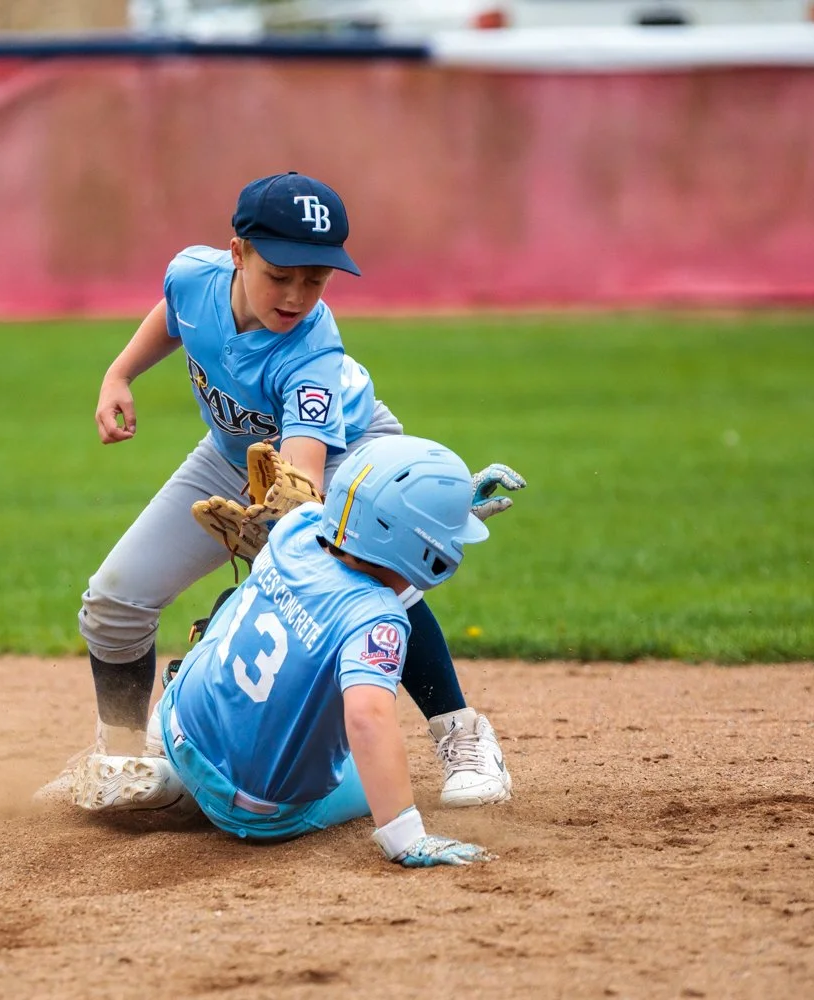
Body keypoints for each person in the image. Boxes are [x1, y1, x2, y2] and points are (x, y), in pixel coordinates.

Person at [40, 171, 525, 810]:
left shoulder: (312, 355)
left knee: (369, 573)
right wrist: (119, 373)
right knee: (113, 603)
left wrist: (284, 532)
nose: (298, 294)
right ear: (236, 254)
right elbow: (176, 311)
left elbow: (299, 483)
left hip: (348, 455)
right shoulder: (195, 274)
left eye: (316, 278)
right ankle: (120, 761)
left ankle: (461, 734)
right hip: (231, 457)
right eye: (281, 273)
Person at [75, 435, 500, 868]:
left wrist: (447, 508)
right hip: (258, 808)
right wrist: (405, 838)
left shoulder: (298, 528)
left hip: (177, 723)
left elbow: (377, 514)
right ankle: (197, 798)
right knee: (367, 766)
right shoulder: (377, 617)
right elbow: (366, 718)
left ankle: (173, 768)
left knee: (238, 599)